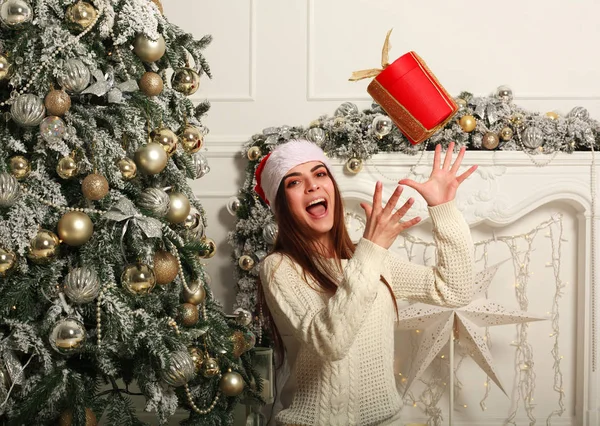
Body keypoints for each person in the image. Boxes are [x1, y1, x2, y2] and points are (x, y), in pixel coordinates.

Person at [255, 138, 478, 426]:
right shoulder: (280, 267)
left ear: (332, 189)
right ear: (281, 206)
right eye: (294, 183)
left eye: (320, 174)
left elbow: (454, 290)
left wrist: (443, 208)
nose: (312, 186)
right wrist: (371, 249)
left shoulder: (371, 258)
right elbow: (331, 343)